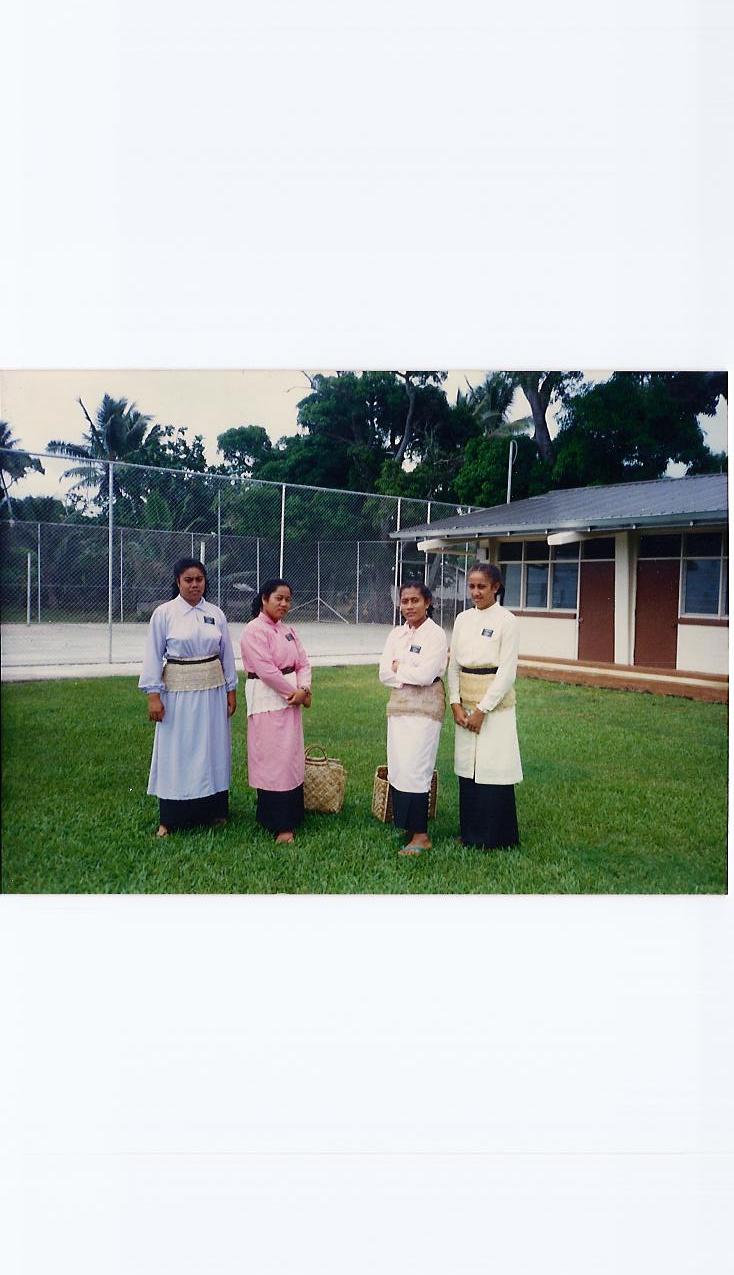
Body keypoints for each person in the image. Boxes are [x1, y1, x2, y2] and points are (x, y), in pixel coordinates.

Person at [139, 558, 238, 836]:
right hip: (177, 693)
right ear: (178, 582)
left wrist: (231, 690)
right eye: (188, 580)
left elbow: (226, 655)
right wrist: (153, 695)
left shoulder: (216, 614)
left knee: (211, 748)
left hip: (212, 690)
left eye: (199, 579)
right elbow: (152, 655)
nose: (195, 585)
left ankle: (213, 811)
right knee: (178, 751)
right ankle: (171, 817)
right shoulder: (164, 614)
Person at [447, 561, 522, 850]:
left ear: (495, 587)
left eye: (482, 586)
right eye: (472, 586)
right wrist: (455, 702)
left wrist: (482, 710)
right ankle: (469, 832)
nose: (476, 592)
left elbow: (507, 672)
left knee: (493, 766)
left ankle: (495, 836)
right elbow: (454, 664)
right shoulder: (463, 619)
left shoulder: (507, 620)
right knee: (469, 769)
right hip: (465, 703)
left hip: (493, 705)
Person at [378, 580, 448, 854]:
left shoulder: (436, 635)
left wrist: (400, 666)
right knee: (399, 766)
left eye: (415, 601)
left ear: (427, 603)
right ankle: (406, 827)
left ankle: (421, 835)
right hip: (399, 709)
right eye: (404, 601)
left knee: (418, 769)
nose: (409, 606)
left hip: (425, 710)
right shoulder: (396, 634)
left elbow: (426, 676)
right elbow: (383, 673)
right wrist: (405, 670)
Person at [240, 579, 312, 844]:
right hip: (268, 699)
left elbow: (302, 662)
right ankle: (279, 823)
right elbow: (266, 670)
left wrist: (303, 688)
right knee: (273, 758)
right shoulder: (253, 631)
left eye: (287, 600)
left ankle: (293, 815)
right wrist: (292, 693)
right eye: (278, 598)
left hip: (292, 698)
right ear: (264, 599)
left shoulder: (288, 630)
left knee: (290, 756)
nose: (283, 604)